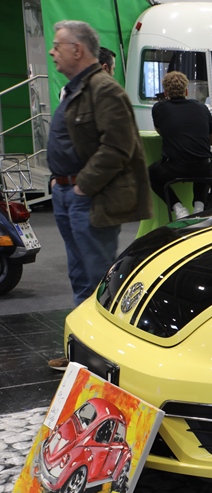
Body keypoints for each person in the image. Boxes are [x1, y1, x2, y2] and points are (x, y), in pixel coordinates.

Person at [46, 20, 152, 370]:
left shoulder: (104, 89)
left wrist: (82, 186)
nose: (52, 52)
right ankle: (82, 354)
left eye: (57, 45)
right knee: (80, 277)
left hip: (90, 198)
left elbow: (118, 146)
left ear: (77, 49)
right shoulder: (76, 89)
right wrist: (60, 182)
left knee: (97, 283)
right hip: (68, 194)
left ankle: (104, 361)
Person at [148, 71, 212, 219]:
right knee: (202, 163)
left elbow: (162, 131)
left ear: (165, 92)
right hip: (204, 169)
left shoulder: (159, 108)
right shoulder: (202, 108)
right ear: (186, 91)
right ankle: (199, 207)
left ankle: (179, 209)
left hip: (175, 168)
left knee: (151, 173)